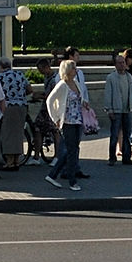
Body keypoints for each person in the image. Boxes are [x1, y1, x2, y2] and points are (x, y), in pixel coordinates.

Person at [45, 59, 87, 190]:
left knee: (72, 150)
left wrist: (84, 103)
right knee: (72, 151)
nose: (76, 70)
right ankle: (72, 181)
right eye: (74, 68)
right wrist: (55, 118)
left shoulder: (75, 83)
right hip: (67, 121)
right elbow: (50, 100)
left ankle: (52, 175)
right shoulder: (62, 85)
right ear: (68, 70)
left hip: (77, 120)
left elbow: (80, 97)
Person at [0, 59, 30, 170]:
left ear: (0, 66)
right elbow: (29, 89)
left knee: (7, 134)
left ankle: (9, 162)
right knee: (18, 133)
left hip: (8, 107)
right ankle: (16, 161)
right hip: (22, 106)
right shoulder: (19, 74)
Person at [103, 54, 132, 167]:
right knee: (115, 134)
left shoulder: (129, 76)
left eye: (123, 63)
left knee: (127, 134)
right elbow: (108, 94)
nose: (122, 65)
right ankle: (112, 157)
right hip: (116, 110)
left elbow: (131, 92)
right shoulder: (111, 77)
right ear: (115, 65)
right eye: (120, 63)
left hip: (127, 109)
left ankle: (127, 157)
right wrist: (109, 109)